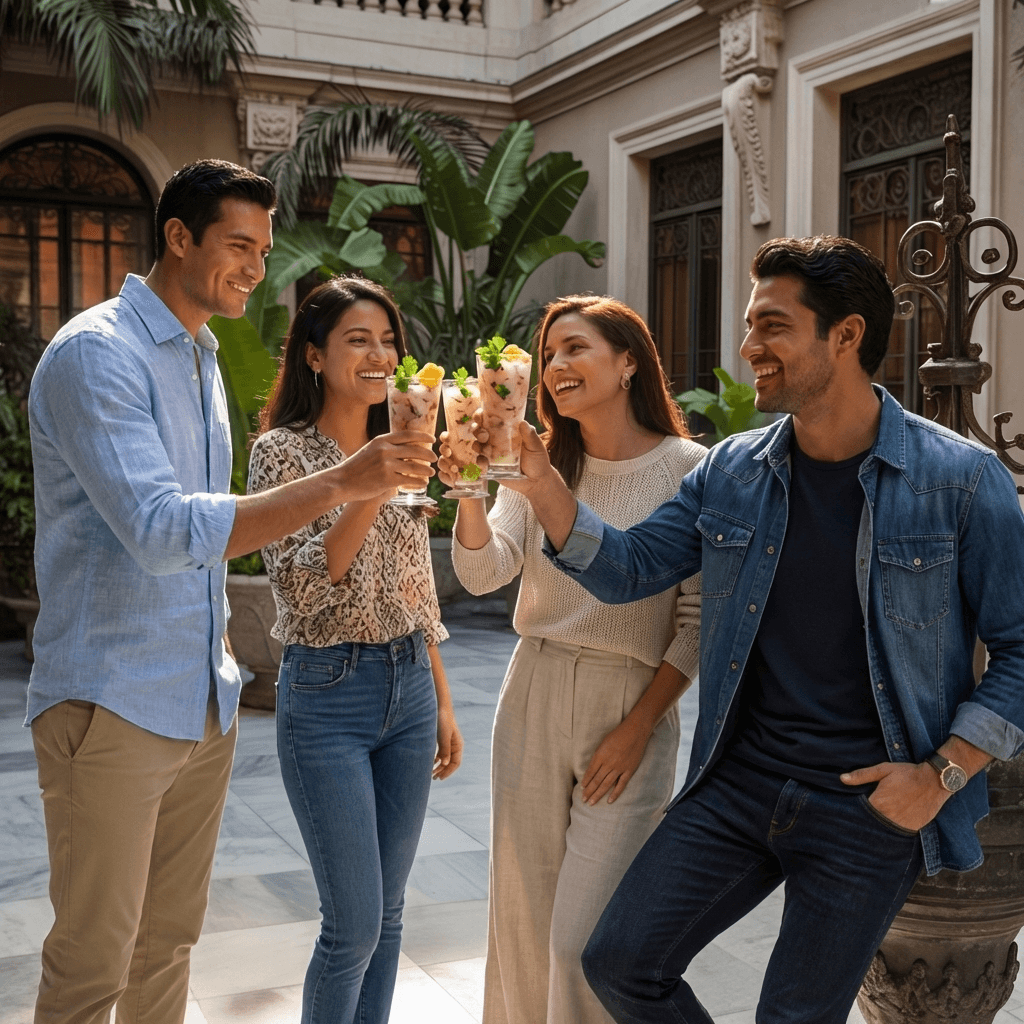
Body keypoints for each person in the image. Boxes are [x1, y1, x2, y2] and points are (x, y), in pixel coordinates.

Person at [501, 235, 1024, 1023]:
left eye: (773, 327)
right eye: (751, 326)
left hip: (866, 805)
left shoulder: (959, 479)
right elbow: (630, 568)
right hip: (740, 784)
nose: (749, 348)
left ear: (845, 336)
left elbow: (1020, 650)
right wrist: (539, 479)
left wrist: (942, 774)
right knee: (617, 963)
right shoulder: (733, 470)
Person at [26, 161, 435, 1024]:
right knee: (94, 961)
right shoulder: (97, 354)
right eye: (238, 246)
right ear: (180, 236)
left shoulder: (201, 358)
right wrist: (346, 484)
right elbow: (164, 529)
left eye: (264, 249)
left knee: (167, 945)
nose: (256, 267)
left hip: (198, 702)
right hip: (111, 700)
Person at [439, 295, 705, 1024]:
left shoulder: (691, 469)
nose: (556, 366)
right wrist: (469, 486)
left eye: (575, 348)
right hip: (534, 685)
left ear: (628, 363)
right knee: (521, 919)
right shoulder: (544, 463)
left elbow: (696, 620)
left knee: (582, 941)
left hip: (632, 703)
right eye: (549, 353)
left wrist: (640, 726)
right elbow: (486, 572)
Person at [247, 275, 463, 1024]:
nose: (379, 355)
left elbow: (415, 580)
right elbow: (307, 588)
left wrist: (440, 694)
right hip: (327, 694)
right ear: (314, 356)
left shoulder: (407, 444)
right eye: (356, 339)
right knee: (353, 927)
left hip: (408, 685)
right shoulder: (280, 454)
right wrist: (371, 480)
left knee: (393, 913)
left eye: (388, 341)